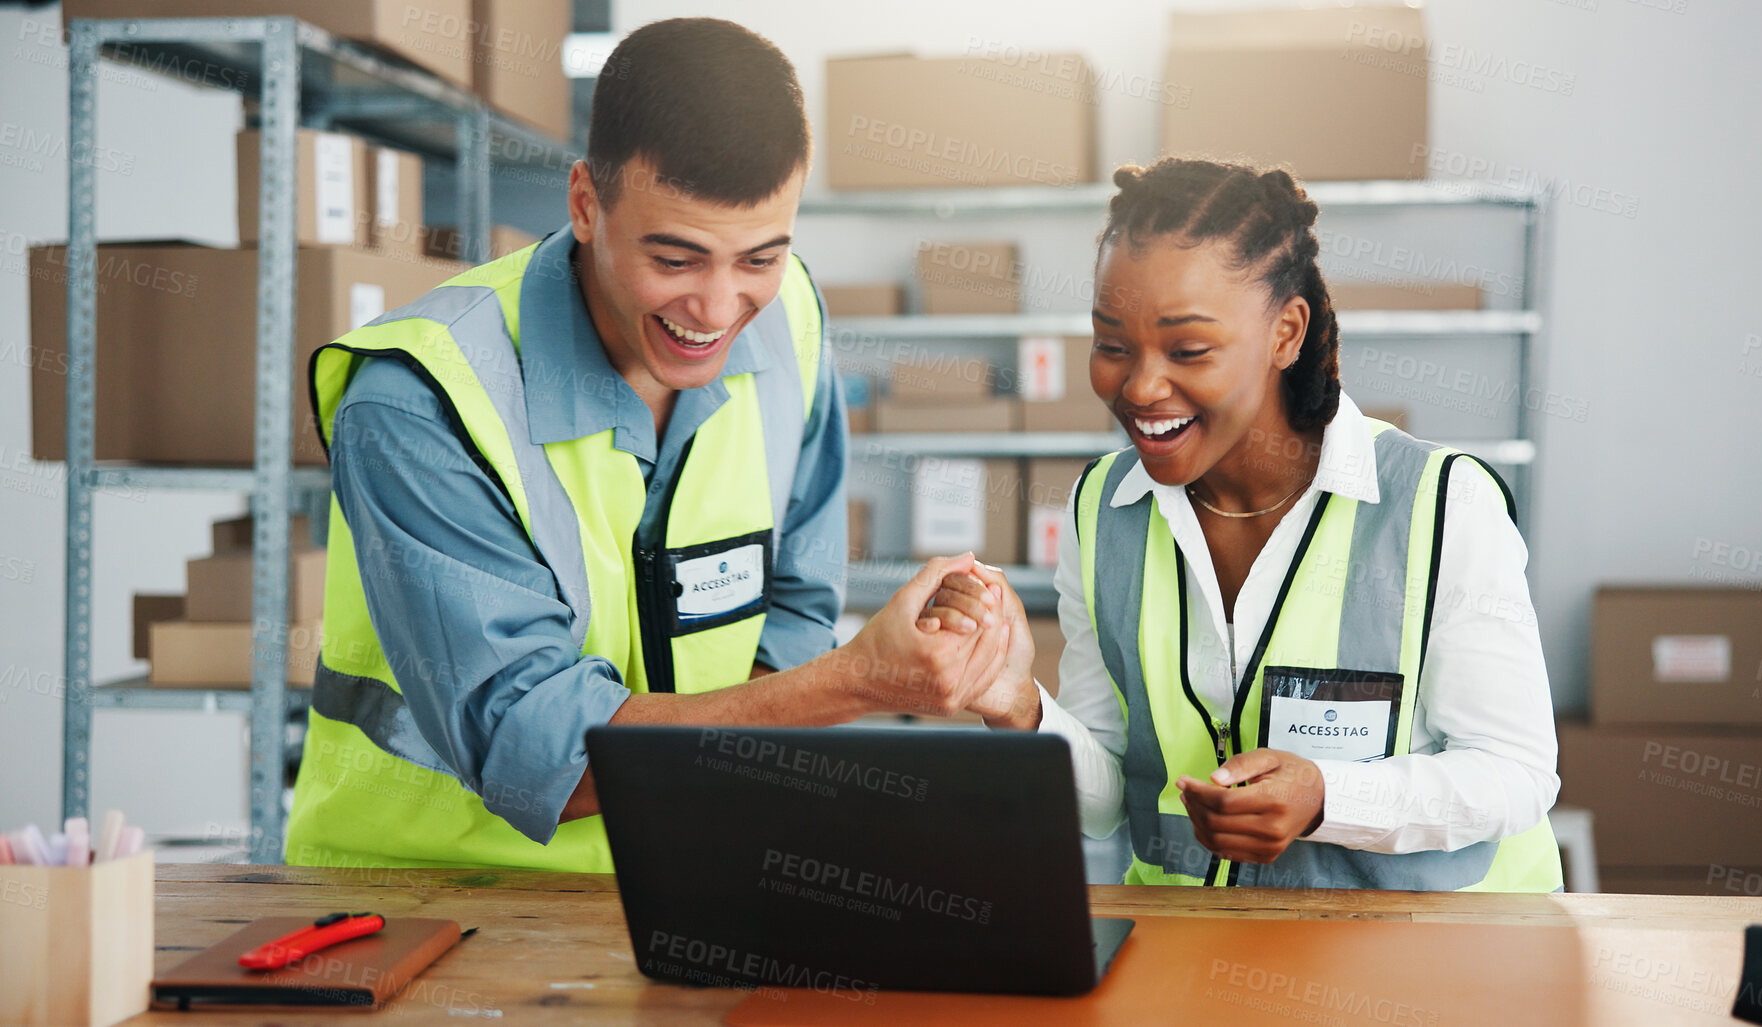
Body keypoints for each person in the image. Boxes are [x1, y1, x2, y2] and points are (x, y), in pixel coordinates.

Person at [285, 18, 1011, 872]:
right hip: (438, 899)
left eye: (759, 258)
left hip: (692, 875)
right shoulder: (421, 401)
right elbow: (538, 752)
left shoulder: (790, 321)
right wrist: (856, 681)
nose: (718, 308)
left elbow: (795, 609)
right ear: (585, 205)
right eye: (676, 259)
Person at [938, 158, 1563, 891]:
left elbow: (1515, 772)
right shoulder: (1103, 509)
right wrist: (1016, 703)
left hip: (1433, 945)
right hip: (1200, 940)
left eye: (1188, 350)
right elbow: (1109, 798)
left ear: (1285, 333)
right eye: (1111, 345)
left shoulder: (1441, 504)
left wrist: (1326, 797)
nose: (1140, 386)